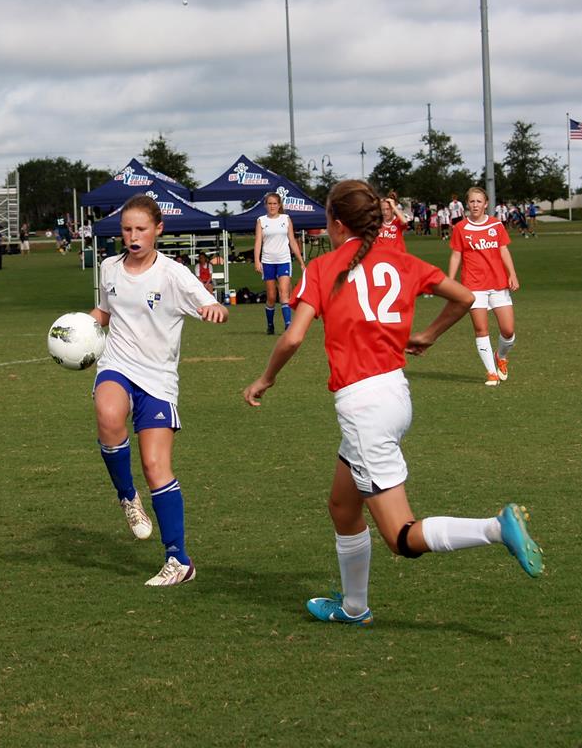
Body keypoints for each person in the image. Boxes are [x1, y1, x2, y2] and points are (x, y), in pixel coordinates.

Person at [243, 179, 543, 626]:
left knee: (400, 537)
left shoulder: (324, 268)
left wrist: (264, 379)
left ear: (337, 224)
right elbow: (463, 297)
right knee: (343, 507)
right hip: (395, 396)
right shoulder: (401, 261)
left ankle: (496, 528)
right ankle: (354, 607)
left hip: (364, 409)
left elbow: (294, 336)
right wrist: (427, 335)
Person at [89, 194, 228, 587]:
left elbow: (212, 304)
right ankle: (127, 497)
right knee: (109, 414)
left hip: (159, 377)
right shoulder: (109, 268)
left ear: (158, 230)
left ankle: (178, 560)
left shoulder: (174, 275)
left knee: (156, 467)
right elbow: (104, 312)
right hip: (116, 364)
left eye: (141, 229)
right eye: (127, 230)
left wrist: (214, 310)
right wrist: (78, 329)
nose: (133, 237)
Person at [448, 186, 519, 386]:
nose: (475, 205)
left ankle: (501, 356)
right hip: (473, 285)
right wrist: (450, 281)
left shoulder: (496, 225)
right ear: (467, 204)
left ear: (486, 204)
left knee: (508, 330)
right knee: (481, 329)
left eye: (479, 201)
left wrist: (512, 274)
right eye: (472, 201)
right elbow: (456, 255)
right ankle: (491, 373)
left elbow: (504, 251)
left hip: (498, 283)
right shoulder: (460, 228)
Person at [253, 192, 306, 335]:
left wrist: (301, 261)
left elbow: (292, 241)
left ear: (279, 205)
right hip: (268, 261)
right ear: (265, 205)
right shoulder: (261, 221)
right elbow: (258, 242)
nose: (272, 206)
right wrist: (257, 260)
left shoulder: (286, 219)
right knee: (271, 296)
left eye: (274, 203)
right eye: (269, 203)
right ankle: (270, 325)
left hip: (284, 260)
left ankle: (288, 325)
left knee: (284, 293)